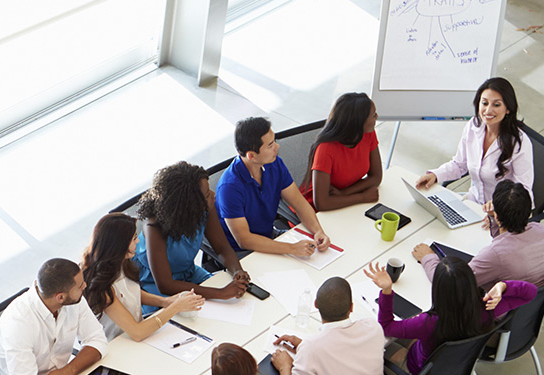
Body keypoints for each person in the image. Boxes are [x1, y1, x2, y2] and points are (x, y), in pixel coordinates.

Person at [367, 258, 539, 375]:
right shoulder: (486, 308)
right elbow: (530, 292)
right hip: (455, 368)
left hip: (419, 373)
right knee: (404, 331)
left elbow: (386, 327)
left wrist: (387, 291)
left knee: (377, 347)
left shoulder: (427, 322)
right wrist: (503, 286)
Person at [0, 258, 114, 375]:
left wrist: (69, 370)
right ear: (60, 297)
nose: (85, 286)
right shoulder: (18, 323)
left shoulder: (73, 300)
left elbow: (97, 340)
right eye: (80, 286)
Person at [135, 161, 251, 312]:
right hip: (153, 285)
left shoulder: (204, 208)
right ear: (189, 204)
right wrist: (221, 293)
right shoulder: (154, 225)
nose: (213, 195)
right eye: (207, 194)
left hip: (188, 273)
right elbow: (165, 285)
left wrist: (236, 271)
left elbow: (222, 247)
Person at [215, 116, 332, 258]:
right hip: (243, 253)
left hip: (270, 236)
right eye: (270, 145)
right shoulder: (229, 187)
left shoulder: (274, 163)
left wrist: (318, 231)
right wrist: (292, 248)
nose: (277, 147)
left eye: (274, 141)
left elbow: (298, 202)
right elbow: (244, 240)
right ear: (251, 156)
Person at [80, 212, 203, 340]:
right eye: (134, 238)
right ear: (119, 245)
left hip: (135, 335)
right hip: (118, 344)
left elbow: (129, 291)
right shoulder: (102, 286)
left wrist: (166, 301)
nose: (138, 241)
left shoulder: (119, 262)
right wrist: (175, 307)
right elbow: (137, 333)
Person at [409, 181, 544, 291]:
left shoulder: (495, 255)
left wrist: (428, 257)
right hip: (529, 303)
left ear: (496, 214)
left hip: (498, 311)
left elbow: (448, 285)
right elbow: (507, 239)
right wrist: (495, 218)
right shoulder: (540, 230)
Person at [414, 77, 533, 205]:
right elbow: (460, 164)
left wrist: (498, 206)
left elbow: (522, 192)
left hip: (502, 215)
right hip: (473, 203)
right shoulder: (473, 126)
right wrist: (435, 176)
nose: (488, 111)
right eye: (485, 103)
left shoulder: (519, 143)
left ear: (508, 108)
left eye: (496, 105)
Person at [301, 93, 383, 211]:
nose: (376, 117)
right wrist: (362, 197)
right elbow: (322, 203)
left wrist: (344, 193)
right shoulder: (326, 149)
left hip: (344, 200)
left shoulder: (368, 134)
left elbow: (376, 177)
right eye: (373, 115)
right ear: (358, 122)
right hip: (315, 212)